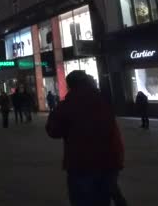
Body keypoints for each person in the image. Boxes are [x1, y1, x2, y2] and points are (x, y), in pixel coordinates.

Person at [46, 70, 125, 206]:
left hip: (80, 163)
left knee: (82, 200)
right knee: (102, 200)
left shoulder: (68, 104)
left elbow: (53, 130)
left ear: (70, 85)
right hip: (107, 161)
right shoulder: (103, 100)